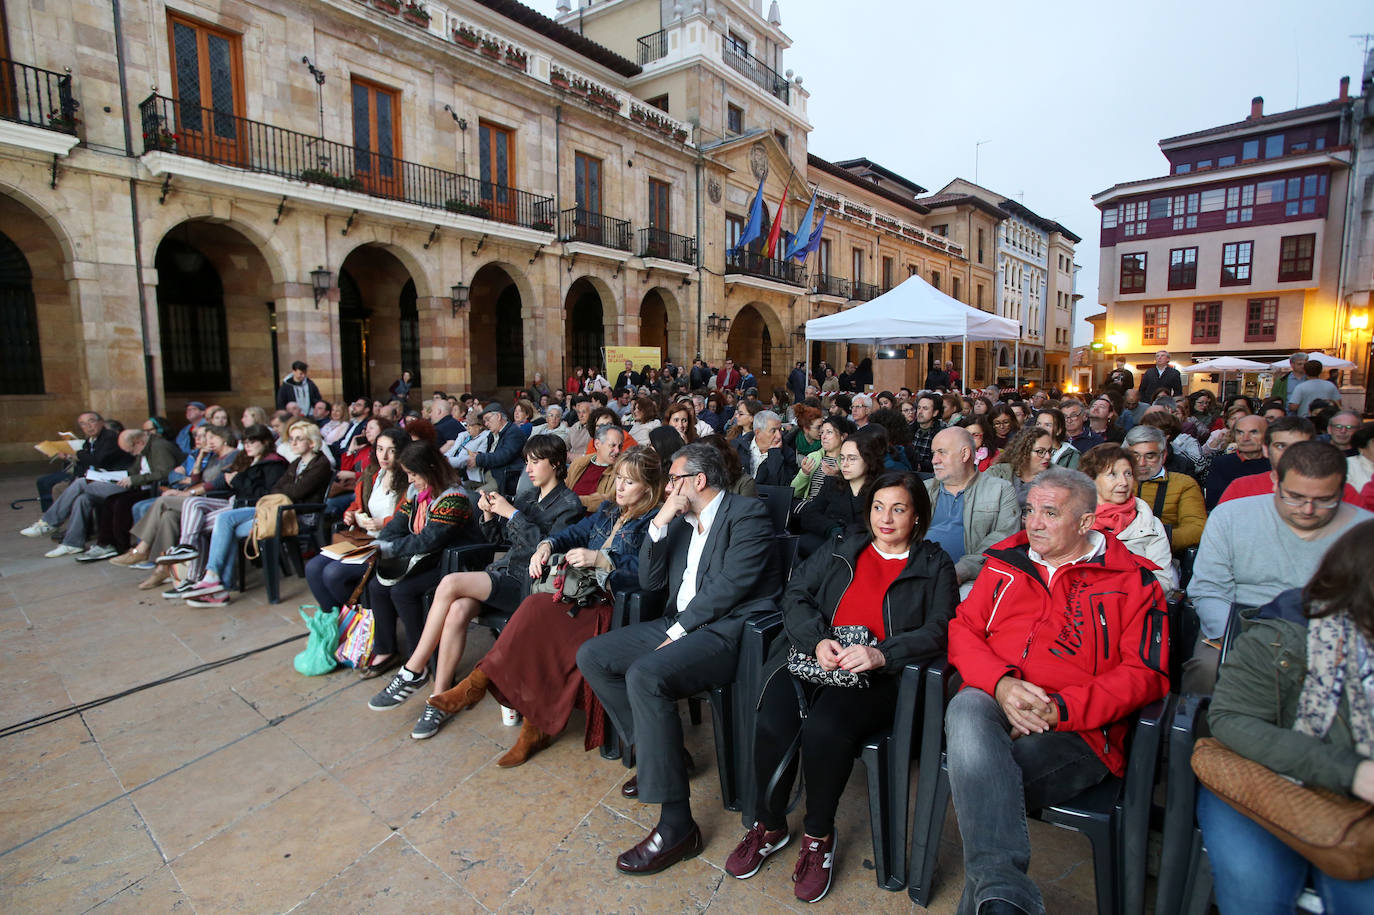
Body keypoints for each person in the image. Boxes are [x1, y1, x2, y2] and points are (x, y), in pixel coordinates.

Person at [944, 468, 1170, 915]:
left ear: (1086, 523)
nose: (1034, 523)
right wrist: (1002, 683)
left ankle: (999, 899)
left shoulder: (1133, 583)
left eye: (1050, 513)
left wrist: (1058, 711)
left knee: (981, 782)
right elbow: (962, 628)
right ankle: (1005, 901)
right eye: (1030, 511)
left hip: (1079, 729)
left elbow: (1145, 674)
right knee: (968, 704)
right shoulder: (1006, 562)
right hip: (995, 702)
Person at [726, 472, 957, 901]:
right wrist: (816, 639)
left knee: (825, 728)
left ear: (918, 516)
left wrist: (882, 653)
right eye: (878, 507)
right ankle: (770, 824)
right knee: (774, 716)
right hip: (813, 658)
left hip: (875, 676)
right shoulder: (842, 547)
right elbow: (796, 593)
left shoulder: (933, 564)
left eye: (899, 509)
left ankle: (818, 838)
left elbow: (941, 628)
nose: (885, 518)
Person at [576, 443, 779, 875]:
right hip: (678, 624)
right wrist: (661, 523)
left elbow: (731, 587)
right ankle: (663, 754)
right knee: (593, 655)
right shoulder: (680, 521)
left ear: (697, 481)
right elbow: (650, 583)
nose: (666, 487)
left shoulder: (747, 515)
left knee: (646, 675)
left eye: (673, 480)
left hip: (725, 633)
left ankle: (677, 827)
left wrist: (677, 632)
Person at [423, 446, 659, 752]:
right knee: (535, 610)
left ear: (649, 488)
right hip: (578, 595)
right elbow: (572, 533)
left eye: (630, 482)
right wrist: (547, 544)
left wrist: (601, 559)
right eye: (619, 479)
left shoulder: (653, 521)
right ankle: (511, 709)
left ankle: (480, 686)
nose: (620, 487)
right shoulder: (608, 510)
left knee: (536, 613)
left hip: (609, 604)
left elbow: (648, 573)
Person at [1198, 520, 1374, 914]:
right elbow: (1230, 720)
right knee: (1257, 890)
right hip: (1266, 776)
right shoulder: (1285, 635)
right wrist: (1350, 771)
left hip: (1357, 798)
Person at [373, 435, 585, 739]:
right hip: (506, 575)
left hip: (531, 585)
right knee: (458, 608)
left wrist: (511, 513)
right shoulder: (528, 497)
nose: (528, 468)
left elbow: (547, 548)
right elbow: (500, 541)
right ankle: (439, 698)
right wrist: (489, 515)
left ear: (555, 463)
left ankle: (414, 668)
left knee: (450, 582)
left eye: (535, 462)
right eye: (526, 461)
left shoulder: (569, 504)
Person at [1186, 441, 1373, 693]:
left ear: (1342, 489)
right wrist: (1245, 640)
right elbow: (1209, 589)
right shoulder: (1230, 516)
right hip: (1241, 624)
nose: (1308, 510)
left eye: (1324, 500)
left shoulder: (1363, 529)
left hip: (1331, 633)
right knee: (1208, 670)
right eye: (1295, 497)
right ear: (1275, 480)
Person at [173, 421, 333, 606]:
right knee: (225, 520)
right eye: (292, 439)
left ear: (312, 443)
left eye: (299, 439)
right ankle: (214, 579)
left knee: (227, 523)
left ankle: (218, 586)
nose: (293, 443)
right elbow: (278, 489)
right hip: (276, 509)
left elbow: (295, 492)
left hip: (297, 515)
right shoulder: (297, 463)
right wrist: (283, 492)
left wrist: (282, 492)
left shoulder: (321, 464)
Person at [356, 441, 483, 672]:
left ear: (430, 469)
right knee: (376, 586)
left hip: (451, 563)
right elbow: (397, 525)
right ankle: (386, 650)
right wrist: (380, 542)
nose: (410, 480)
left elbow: (428, 540)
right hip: (426, 559)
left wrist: (387, 549)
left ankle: (420, 658)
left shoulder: (454, 497)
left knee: (403, 591)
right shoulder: (418, 493)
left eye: (413, 474)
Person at [301, 427, 407, 613]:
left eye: (392, 450)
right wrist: (352, 515)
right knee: (313, 568)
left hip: (390, 546)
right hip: (364, 539)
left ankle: (361, 617)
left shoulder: (410, 479)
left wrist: (384, 523)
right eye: (380, 449)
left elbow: (410, 517)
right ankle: (334, 623)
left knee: (333, 573)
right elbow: (357, 505)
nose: (385, 455)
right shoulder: (372, 474)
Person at [924, 427, 1020, 596]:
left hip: (971, 580)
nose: (934, 460)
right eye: (933, 453)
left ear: (965, 454)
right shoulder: (923, 490)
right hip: (918, 573)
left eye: (941, 453)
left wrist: (961, 571)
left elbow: (1004, 538)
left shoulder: (1000, 490)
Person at [77, 427, 185, 563]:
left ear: (138, 442)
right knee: (111, 500)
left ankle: (126, 547)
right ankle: (106, 543)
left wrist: (134, 480)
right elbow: (134, 469)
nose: (133, 454)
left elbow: (164, 473)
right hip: (144, 486)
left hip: (157, 488)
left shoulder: (159, 447)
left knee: (123, 504)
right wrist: (116, 476)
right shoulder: (144, 448)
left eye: (132, 451)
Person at [1079, 443, 1176, 589]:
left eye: (1128, 474)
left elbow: (1164, 583)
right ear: (1091, 479)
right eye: (1113, 474)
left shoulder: (1149, 524)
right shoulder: (1073, 520)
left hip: (1132, 603)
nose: (1124, 482)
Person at [1217, 416, 1363, 506]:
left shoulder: (1341, 491)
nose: (1289, 453)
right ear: (1266, 450)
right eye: (1280, 446)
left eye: (1298, 446)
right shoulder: (1240, 488)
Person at [794, 426, 885, 557]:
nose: (845, 464)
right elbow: (810, 514)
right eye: (842, 458)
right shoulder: (832, 483)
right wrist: (831, 528)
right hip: (825, 544)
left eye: (852, 458)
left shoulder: (881, 490)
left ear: (868, 460)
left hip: (862, 550)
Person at [1125, 424, 1207, 552]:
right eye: (1135, 455)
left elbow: (1197, 528)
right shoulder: (1115, 481)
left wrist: (1156, 540)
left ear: (1163, 456)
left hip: (1163, 555)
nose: (1141, 463)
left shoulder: (1184, 484)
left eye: (1150, 456)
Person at [1204, 414, 1270, 510]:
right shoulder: (1221, 464)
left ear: (1267, 435)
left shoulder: (1277, 464)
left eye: (1254, 432)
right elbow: (1215, 505)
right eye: (1240, 433)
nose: (1245, 438)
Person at [984, 426, 1055, 510]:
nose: (1048, 456)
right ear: (1024, 451)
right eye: (1040, 451)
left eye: (1050, 451)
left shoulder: (1057, 478)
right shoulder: (998, 473)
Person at [468, 403, 529, 493]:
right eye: (484, 421)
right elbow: (492, 454)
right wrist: (479, 455)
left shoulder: (514, 432)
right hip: (488, 474)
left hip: (504, 478)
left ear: (498, 416)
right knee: (462, 488)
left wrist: (478, 459)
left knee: (476, 496)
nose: (486, 424)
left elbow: (503, 456)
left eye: (488, 419)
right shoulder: (492, 435)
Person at [791, 415, 852, 501]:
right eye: (822, 432)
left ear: (843, 436)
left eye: (829, 432)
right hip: (810, 507)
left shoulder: (848, 461)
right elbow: (794, 492)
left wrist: (837, 477)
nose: (823, 437)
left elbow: (851, 494)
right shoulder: (813, 457)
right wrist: (804, 474)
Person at [568, 423, 624, 512]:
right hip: (567, 514)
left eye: (620, 446)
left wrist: (573, 501)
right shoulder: (579, 463)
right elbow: (565, 487)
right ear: (597, 444)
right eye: (612, 445)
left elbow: (609, 499)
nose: (617, 451)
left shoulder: (621, 470)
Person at [735, 409, 796, 485]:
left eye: (780, 430)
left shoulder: (787, 453)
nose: (779, 436)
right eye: (773, 431)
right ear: (758, 433)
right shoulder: (738, 447)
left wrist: (774, 453)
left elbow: (780, 485)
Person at [910, 393, 945, 474]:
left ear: (935, 413)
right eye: (919, 408)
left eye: (925, 408)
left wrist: (921, 466)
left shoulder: (942, 433)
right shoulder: (909, 429)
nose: (920, 412)